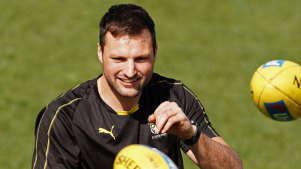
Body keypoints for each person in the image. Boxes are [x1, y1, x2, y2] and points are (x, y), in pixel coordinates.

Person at [32, 4, 243, 169]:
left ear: (155, 52)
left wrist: (192, 135)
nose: (130, 71)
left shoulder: (173, 95)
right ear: (100, 53)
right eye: (119, 59)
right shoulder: (64, 116)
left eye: (141, 59)